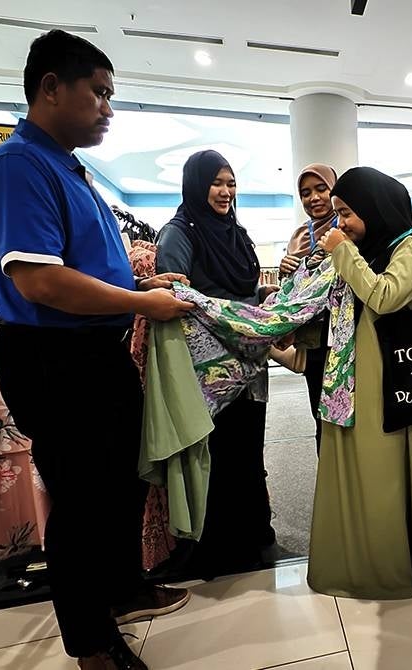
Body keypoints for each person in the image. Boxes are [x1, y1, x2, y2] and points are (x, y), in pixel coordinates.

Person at [0, 30, 193, 670]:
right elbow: (40, 281)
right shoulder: (17, 165)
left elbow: (82, 267)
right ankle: (91, 642)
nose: (107, 108)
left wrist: (139, 287)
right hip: (54, 356)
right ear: (50, 87)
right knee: (82, 499)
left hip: (93, 351)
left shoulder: (68, 168)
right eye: (98, 93)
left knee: (120, 482)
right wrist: (142, 305)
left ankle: (122, 589)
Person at [308, 166, 412, 599]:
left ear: (374, 207)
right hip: (354, 382)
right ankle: (355, 563)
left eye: (347, 212)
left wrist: (343, 253)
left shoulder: (408, 248)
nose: (341, 222)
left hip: (390, 386)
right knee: (359, 475)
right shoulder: (367, 251)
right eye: (338, 213)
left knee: (383, 478)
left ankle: (387, 569)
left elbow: (384, 296)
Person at [155, 149, 277, 576]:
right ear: (195, 185)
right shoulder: (178, 234)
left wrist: (263, 299)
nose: (225, 192)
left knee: (248, 450)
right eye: (216, 183)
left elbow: (243, 289)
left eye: (231, 184)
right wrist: (240, 317)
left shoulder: (236, 233)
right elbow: (177, 297)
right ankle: (220, 549)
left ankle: (253, 535)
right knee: (216, 454)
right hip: (208, 372)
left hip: (249, 363)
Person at [279, 163, 339, 452]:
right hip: (313, 339)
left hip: (345, 335)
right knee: (320, 415)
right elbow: (293, 288)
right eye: (305, 193)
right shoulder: (300, 235)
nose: (313, 198)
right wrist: (285, 270)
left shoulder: (347, 225)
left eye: (321, 189)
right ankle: (327, 476)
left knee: (346, 415)